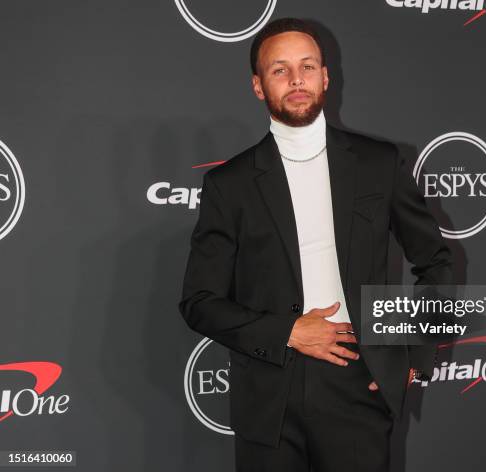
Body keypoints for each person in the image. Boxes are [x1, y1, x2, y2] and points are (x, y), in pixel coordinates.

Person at [179, 17, 453, 472]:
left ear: (326, 76)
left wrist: (415, 354)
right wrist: (287, 332)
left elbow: (436, 260)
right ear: (258, 85)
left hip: (358, 382)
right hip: (269, 395)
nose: (296, 79)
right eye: (279, 70)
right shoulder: (230, 184)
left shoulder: (378, 163)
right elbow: (199, 302)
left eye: (307, 67)